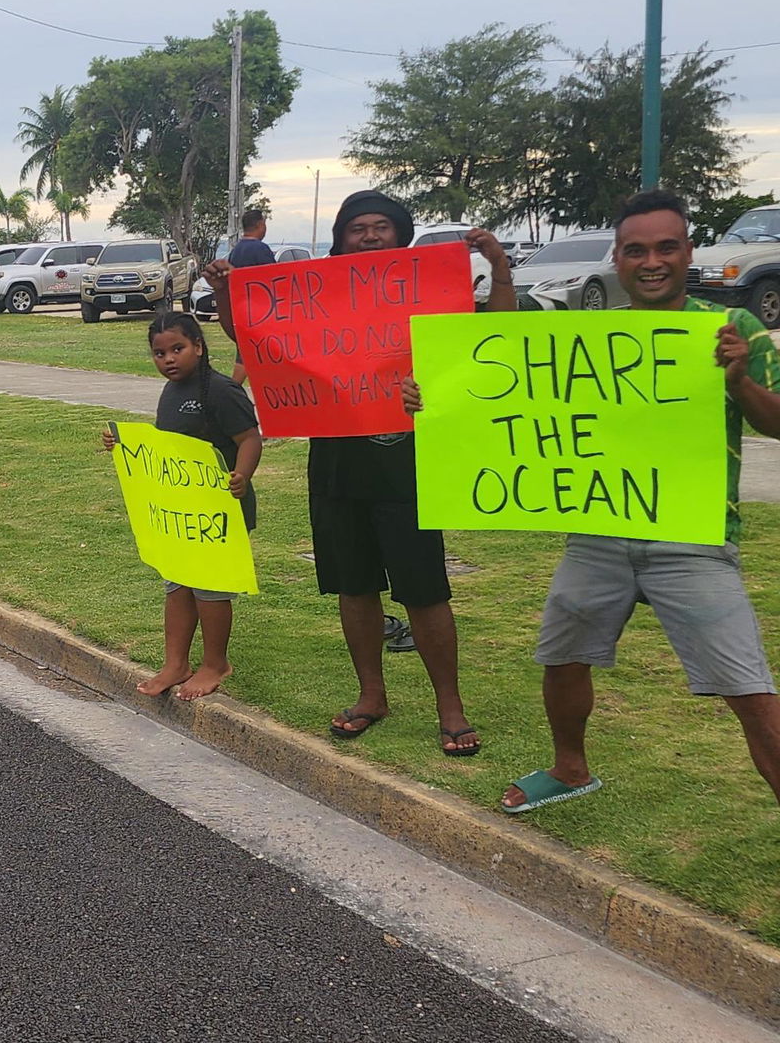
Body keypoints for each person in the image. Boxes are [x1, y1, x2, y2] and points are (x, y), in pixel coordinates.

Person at [435, 188, 780, 813]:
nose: (652, 261)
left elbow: (777, 424)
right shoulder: (592, 333)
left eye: (666, 247)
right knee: (562, 656)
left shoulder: (733, 329)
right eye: (637, 250)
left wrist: (740, 382)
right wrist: (431, 395)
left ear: (687, 252)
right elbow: (499, 361)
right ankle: (570, 769)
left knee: (750, 692)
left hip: (694, 537)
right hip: (598, 531)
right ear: (617, 259)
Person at [207, 190, 514, 756]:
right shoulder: (316, 294)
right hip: (338, 466)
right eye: (358, 229)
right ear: (341, 237)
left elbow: (493, 340)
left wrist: (497, 269)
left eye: (382, 227)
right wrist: (228, 293)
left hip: (408, 465)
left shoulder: (427, 294)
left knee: (425, 591)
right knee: (355, 587)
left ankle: (451, 705)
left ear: (401, 236)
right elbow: (253, 340)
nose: (370, 237)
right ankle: (371, 694)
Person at [100, 311, 262, 701]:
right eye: (159, 353)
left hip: (219, 509)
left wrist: (241, 475)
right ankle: (176, 663)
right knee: (177, 584)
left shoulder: (221, 391)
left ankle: (215, 663)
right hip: (179, 513)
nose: (168, 359)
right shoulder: (171, 392)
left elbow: (250, 438)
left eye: (177, 349)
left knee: (209, 588)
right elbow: (169, 448)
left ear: (199, 347)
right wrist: (125, 446)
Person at [223, 209, 275, 383]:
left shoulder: (236, 250)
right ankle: (233, 390)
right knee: (250, 355)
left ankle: (235, 389)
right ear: (260, 225)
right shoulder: (261, 249)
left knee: (244, 353)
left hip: (241, 311)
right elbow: (274, 280)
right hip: (261, 314)